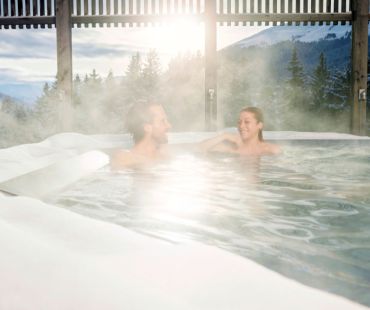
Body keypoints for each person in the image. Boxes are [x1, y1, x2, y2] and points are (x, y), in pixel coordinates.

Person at [111, 101, 172, 169]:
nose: (169, 126)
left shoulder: (164, 157)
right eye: (162, 121)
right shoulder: (125, 159)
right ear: (147, 127)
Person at [200, 107, 281, 156]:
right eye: (239, 122)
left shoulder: (270, 150)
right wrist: (224, 135)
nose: (241, 126)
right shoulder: (231, 148)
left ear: (259, 125)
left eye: (247, 122)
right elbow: (199, 148)